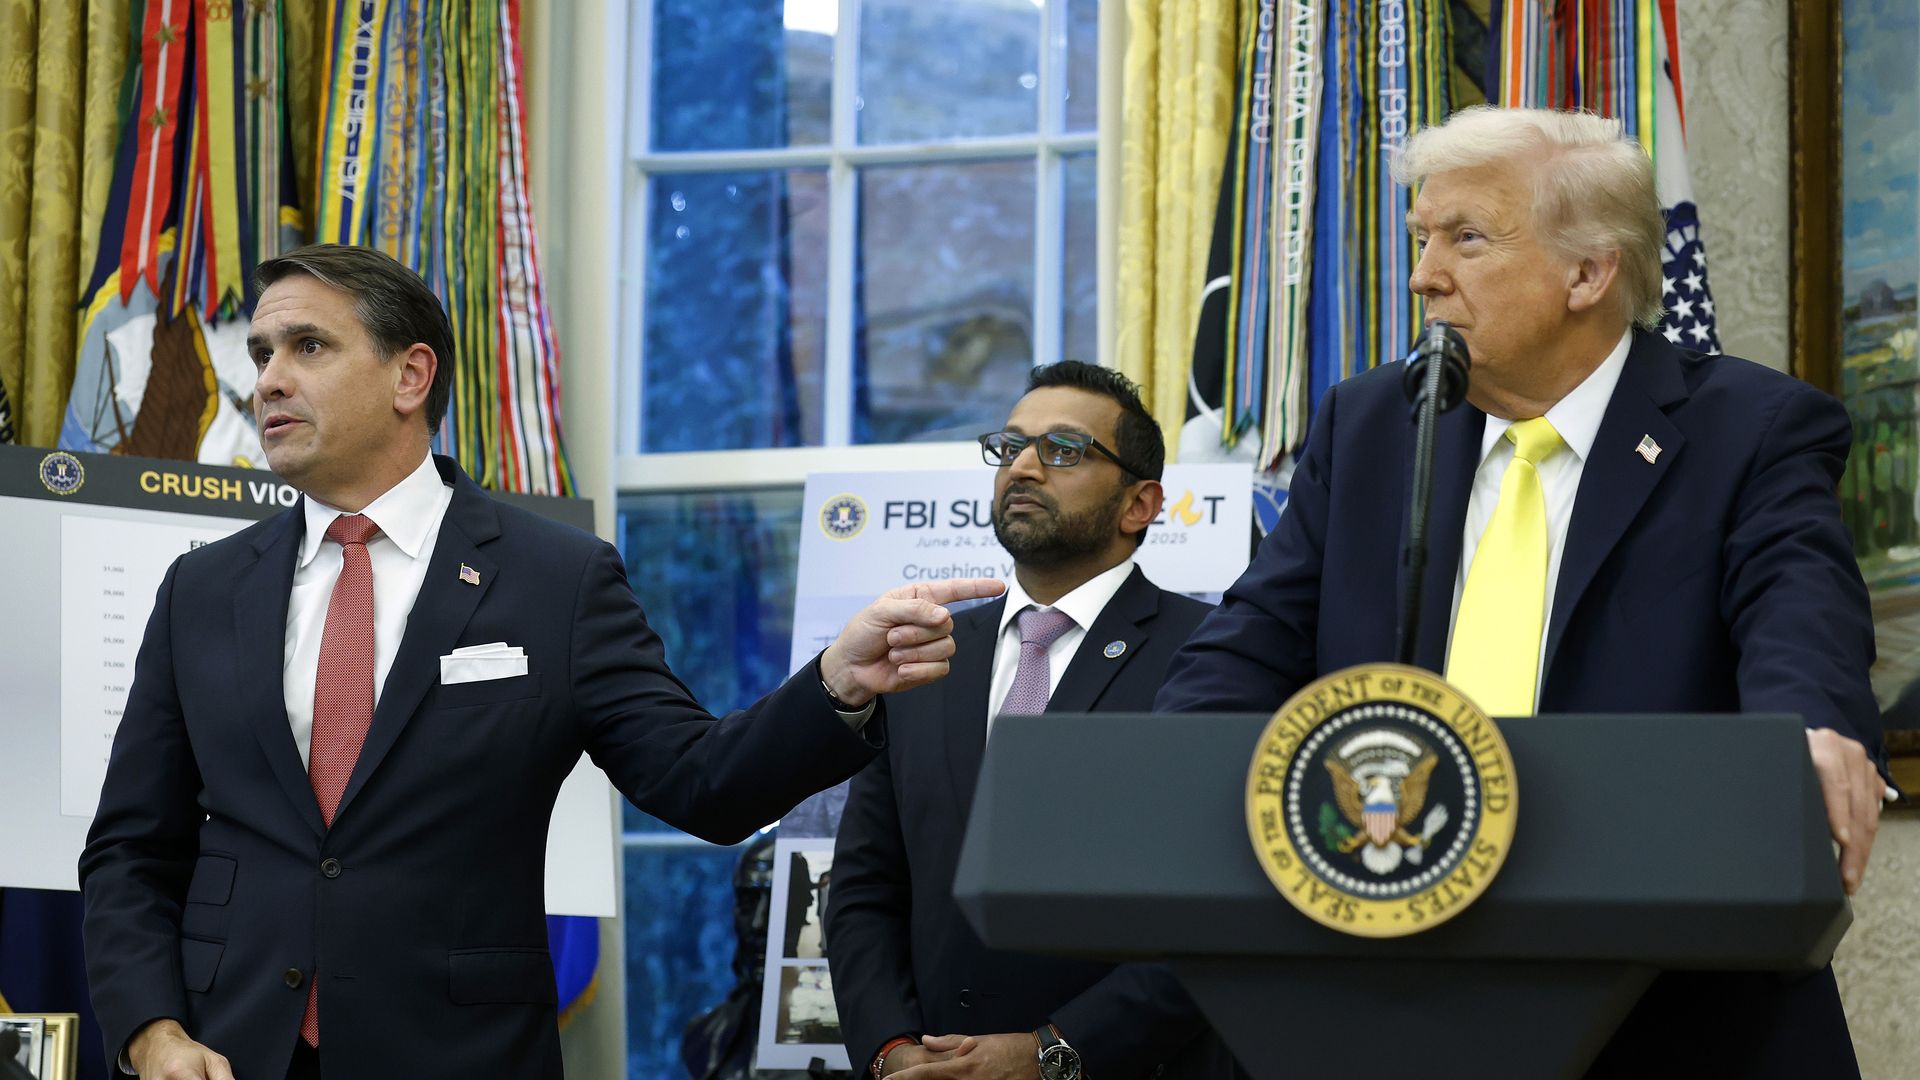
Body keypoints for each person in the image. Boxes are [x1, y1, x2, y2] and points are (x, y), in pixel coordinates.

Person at [78, 244, 1002, 1080]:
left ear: (411, 376)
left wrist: (835, 683)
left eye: (307, 348)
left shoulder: (554, 578)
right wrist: (149, 1031)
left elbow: (701, 781)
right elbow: (131, 847)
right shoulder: (201, 589)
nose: (269, 380)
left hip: (458, 1054)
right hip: (228, 1052)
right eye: (263, 354)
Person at [1155, 106, 1887, 1078]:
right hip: (1379, 992)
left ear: (1588, 274)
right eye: (1422, 238)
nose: (1423, 276)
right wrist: (1157, 777)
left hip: (1671, 1008)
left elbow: (1799, 614)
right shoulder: (1374, 426)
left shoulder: (1748, 429)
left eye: (1467, 239)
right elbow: (1242, 655)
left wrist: (1811, 729)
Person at [828, 362, 1233, 1079]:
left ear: (1139, 505)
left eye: (1063, 450)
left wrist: (1053, 1052)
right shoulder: (922, 654)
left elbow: (1217, 916)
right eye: (1010, 446)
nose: (1022, 466)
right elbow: (865, 890)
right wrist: (891, 1050)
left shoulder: (1210, 658)